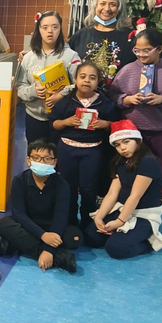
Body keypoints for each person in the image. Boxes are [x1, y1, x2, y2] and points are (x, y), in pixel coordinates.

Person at [107, 27, 162, 175]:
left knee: (156, 173)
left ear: (159, 49)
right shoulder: (127, 70)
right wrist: (127, 99)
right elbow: (112, 96)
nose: (141, 55)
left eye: (146, 50)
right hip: (130, 132)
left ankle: (153, 199)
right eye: (137, 50)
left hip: (160, 133)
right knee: (128, 173)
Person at [50, 61, 118, 229]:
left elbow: (115, 123)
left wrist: (105, 124)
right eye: (82, 76)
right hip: (67, 149)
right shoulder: (66, 101)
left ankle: (88, 221)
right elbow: (54, 124)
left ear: (98, 82)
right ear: (75, 80)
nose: (87, 81)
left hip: (92, 150)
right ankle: (70, 221)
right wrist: (66, 121)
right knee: (68, 187)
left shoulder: (104, 102)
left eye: (92, 78)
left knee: (89, 188)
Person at [84, 120, 162, 259]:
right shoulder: (120, 161)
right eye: (117, 145)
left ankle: (148, 242)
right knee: (91, 237)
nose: (122, 148)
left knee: (116, 249)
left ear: (138, 140)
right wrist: (99, 217)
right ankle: (121, 234)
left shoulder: (147, 161)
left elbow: (135, 196)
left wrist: (119, 222)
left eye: (126, 142)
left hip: (143, 214)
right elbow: (112, 193)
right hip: (122, 208)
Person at [0, 140, 80, 273]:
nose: (41, 162)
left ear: (54, 162)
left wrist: (49, 247)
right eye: (36, 158)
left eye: (47, 159)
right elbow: (19, 214)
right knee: (3, 224)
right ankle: (59, 257)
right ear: (29, 160)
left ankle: (16, 243)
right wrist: (44, 239)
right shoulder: (19, 180)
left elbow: (61, 217)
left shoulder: (62, 185)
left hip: (50, 224)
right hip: (28, 223)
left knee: (75, 238)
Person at [17, 11, 82, 145]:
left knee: (58, 159)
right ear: (38, 29)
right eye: (45, 27)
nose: (50, 31)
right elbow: (19, 87)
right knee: (36, 157)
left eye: (55, 27)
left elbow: (79, 85)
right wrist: (33, 91)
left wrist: (61, 95)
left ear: (60, 28)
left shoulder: (71, 56)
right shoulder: (29, 57)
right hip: (33, 118)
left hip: (61, 119)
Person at [68, 0, 136, 80]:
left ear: (119, 9)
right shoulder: (81, 35)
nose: (107, 9)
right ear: (95, 6)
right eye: (102, 3)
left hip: (118, 94)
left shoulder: (130, 37)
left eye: (113, 5)